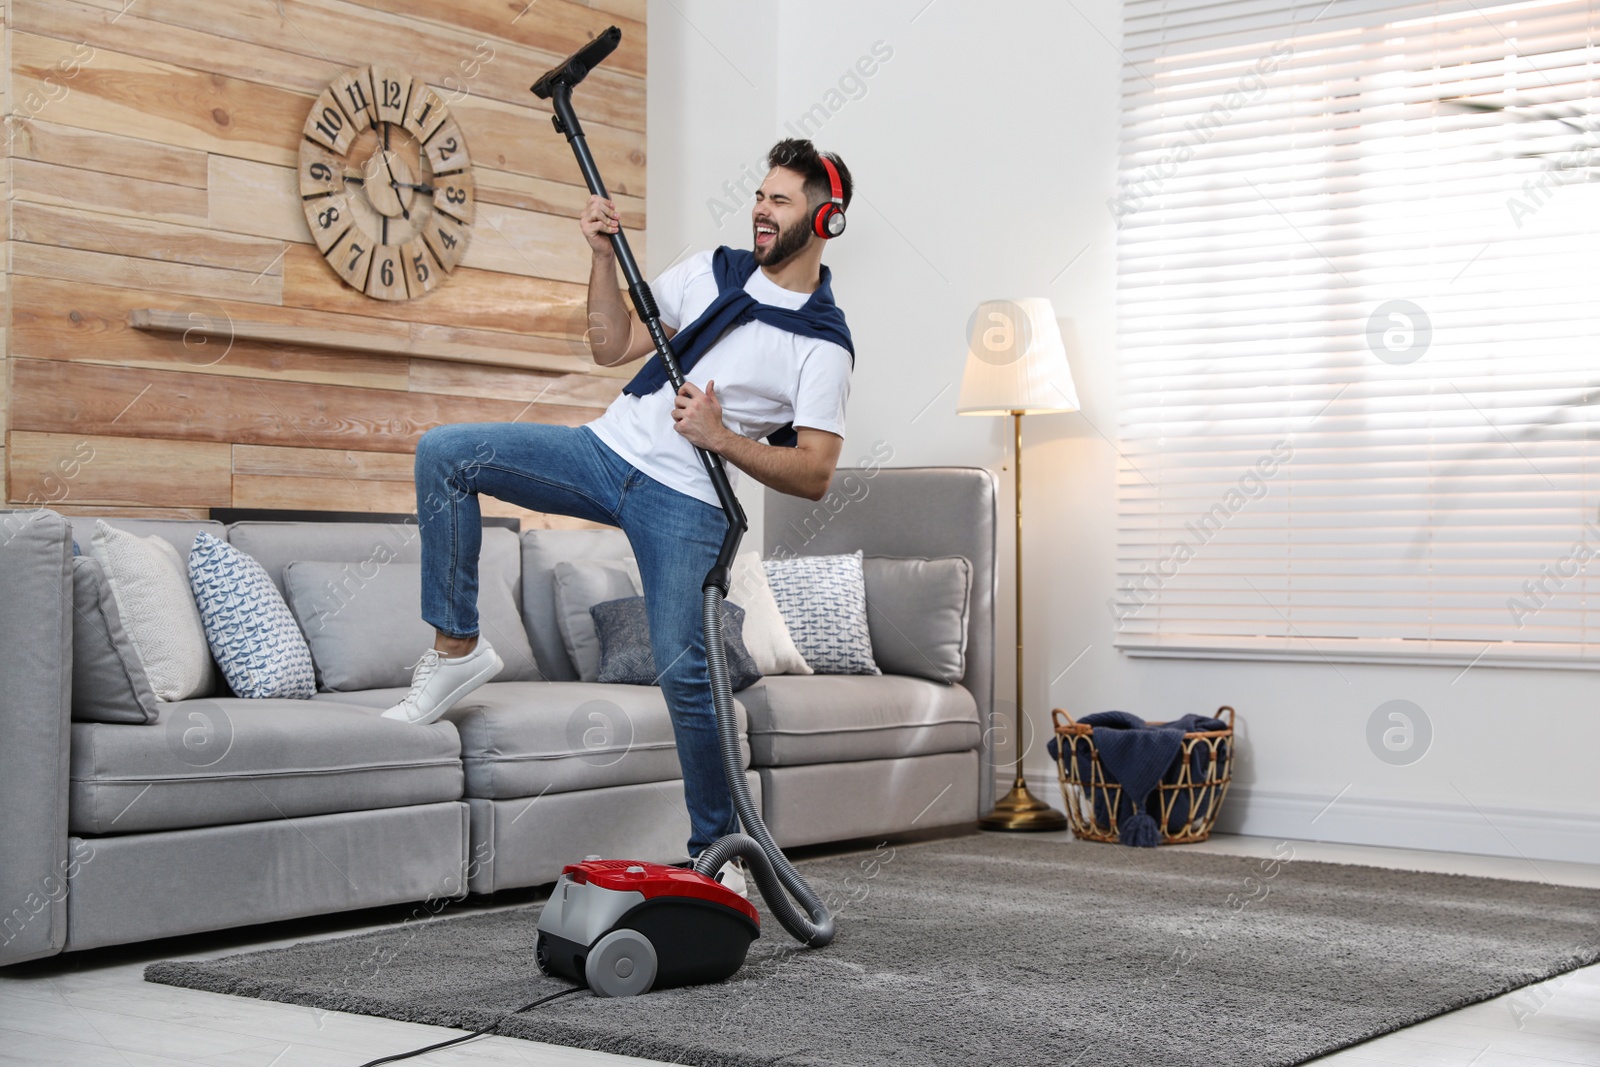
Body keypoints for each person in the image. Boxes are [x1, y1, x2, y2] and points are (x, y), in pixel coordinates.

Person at [385, 138, 856, 886]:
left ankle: (717, 851)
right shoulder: (712, 269)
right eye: (761, 196)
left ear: (825, 220)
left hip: (687, 502)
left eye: (781, 201)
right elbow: (611, 344)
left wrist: (722, 436)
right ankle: (456, 650)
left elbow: (816, 473)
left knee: (684, 671)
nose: (762, 212)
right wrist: (602, 256)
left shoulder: (823, 346)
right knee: (447, 453)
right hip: (604, 454)